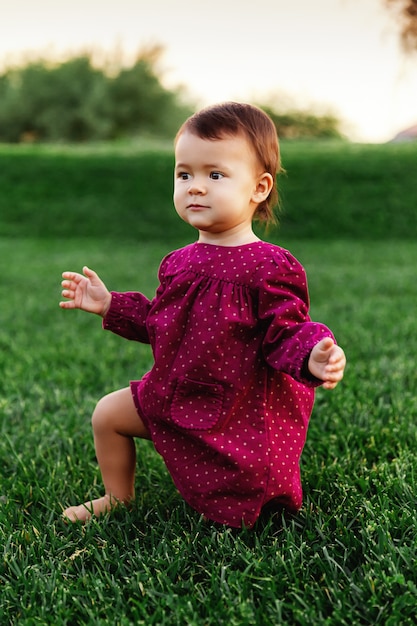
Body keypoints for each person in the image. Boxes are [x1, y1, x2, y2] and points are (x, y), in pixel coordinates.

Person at [59, 102, 346, 529]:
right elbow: (162, 323)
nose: (195, 187)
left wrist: (312, 355)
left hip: (236, 413)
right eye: (184, 174)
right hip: (175, 395)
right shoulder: (178, 262)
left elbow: (285, 332)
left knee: (244, 505)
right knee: (108, 415)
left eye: (215, 175)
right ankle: (118, 497)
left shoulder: (269, 267)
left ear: (259, 188)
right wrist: (109, 304)